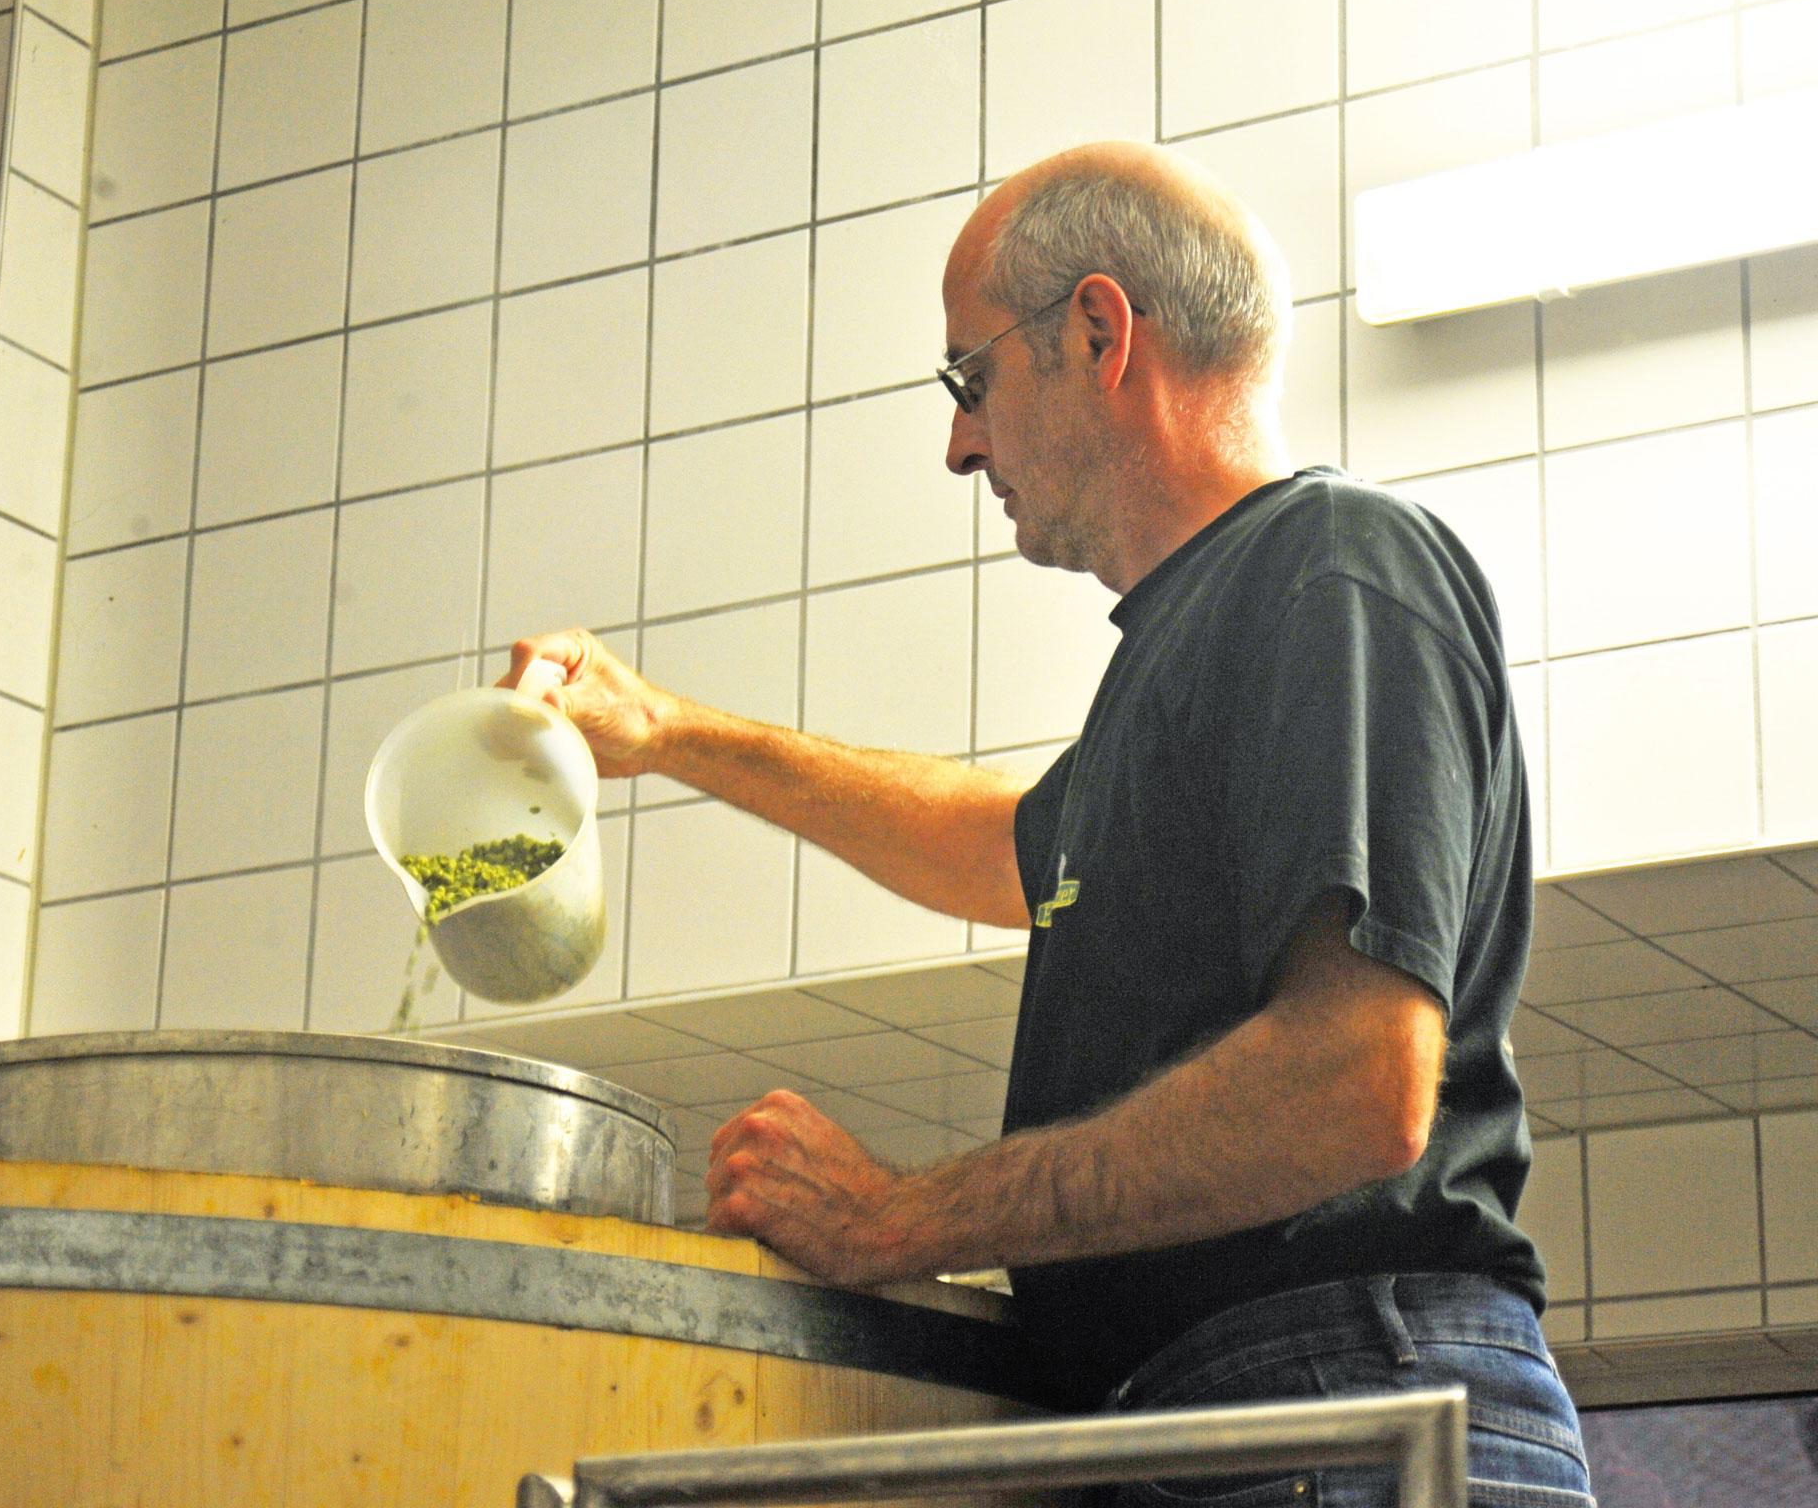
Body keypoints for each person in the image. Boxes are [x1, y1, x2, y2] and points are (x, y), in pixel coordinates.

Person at [502, 141, 1593, 1507]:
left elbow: (1354, 1084)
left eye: (970, 379)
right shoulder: (1188, 650)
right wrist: (662, 730)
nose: (961, 444)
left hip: (1330, 1404)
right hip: (1230, 1419)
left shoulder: (1333, 565)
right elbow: (997, 845)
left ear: (1097, 332)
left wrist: (898, 1216)